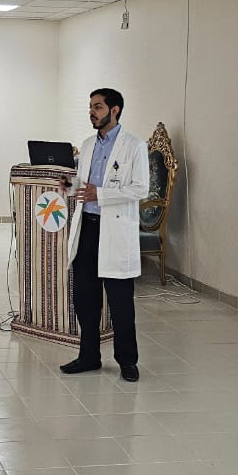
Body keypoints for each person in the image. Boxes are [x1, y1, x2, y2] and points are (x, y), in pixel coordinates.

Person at [58, 88, 148, 383]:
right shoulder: (87, 145)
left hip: (114, 230)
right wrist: (69, 185)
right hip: (87, 228)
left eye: (97, 107)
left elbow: (141, 188)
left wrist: (101, 194)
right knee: (85, 297)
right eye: (91, 107)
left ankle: (127, 361)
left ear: (115, 109)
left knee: (121, 301)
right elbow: (84, 185)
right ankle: (89, 356)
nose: (92, 112)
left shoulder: (134, 146)